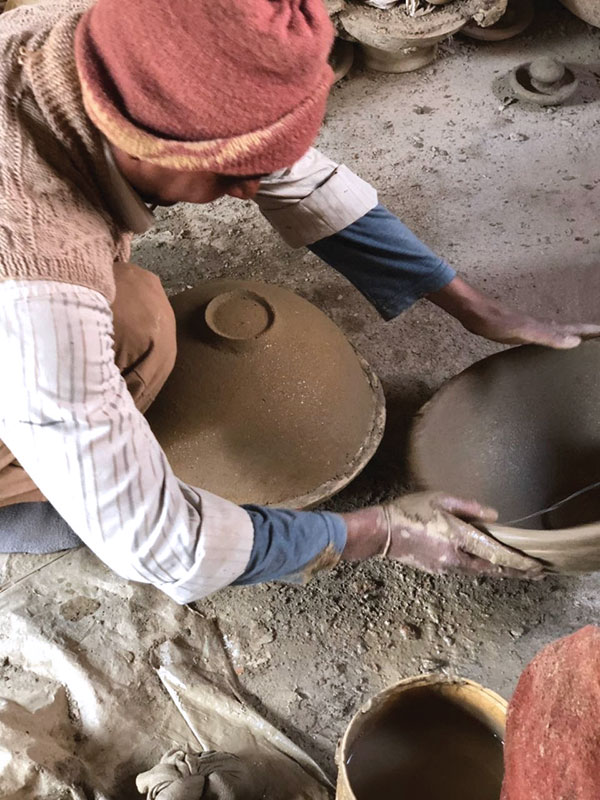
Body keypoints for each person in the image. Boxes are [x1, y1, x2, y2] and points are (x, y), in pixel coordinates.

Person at [0, 0, 593, 602]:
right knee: (137, 325)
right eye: (230, 176)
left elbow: (290, 173)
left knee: (131, 307)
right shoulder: (36, 287)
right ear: (135, 143)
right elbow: (163, 546)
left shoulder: (96, 44)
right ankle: (18, 503)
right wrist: (380, 532)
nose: (251, 189)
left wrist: (473, 307)